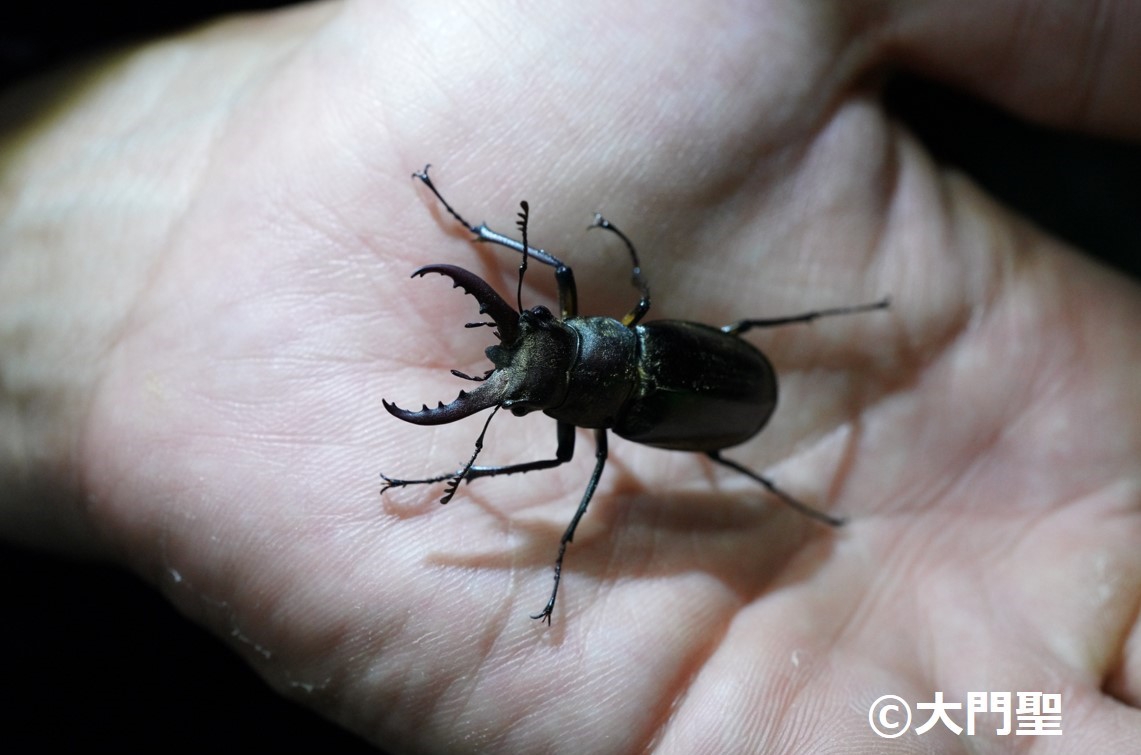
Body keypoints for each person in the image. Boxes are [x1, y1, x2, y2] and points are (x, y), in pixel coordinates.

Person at [2, 1, 1138, 750]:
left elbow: (572, 421)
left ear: (591, 329)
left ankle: (796, 440)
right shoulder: (613, 354)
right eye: (529, 370)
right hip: (689, 395)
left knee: (747, 340)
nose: (516, 357)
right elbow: (558, 348)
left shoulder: (610, 378)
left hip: (706, 386)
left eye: (532, 358)